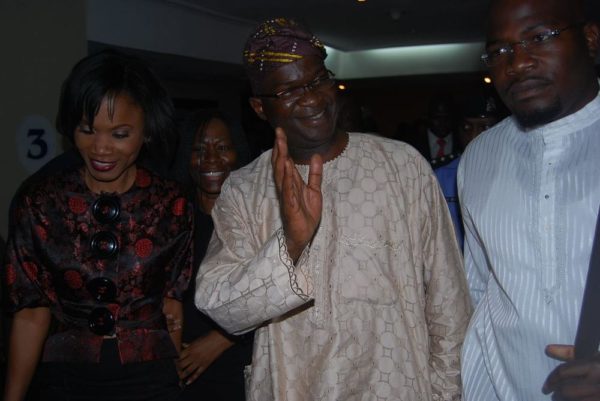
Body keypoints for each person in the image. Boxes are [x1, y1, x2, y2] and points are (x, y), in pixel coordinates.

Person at [195, 18, 471, 401]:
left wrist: (446, 394)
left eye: (317, 80)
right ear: (260, 107)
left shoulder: (402, 166)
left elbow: (449, 303)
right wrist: (291, 244)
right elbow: (222, 308)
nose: (311, 98)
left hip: (397, 387)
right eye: (289, 90)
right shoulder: (243, 190)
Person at [3, 50, 194, 401]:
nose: (101, 148)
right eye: (87, 130)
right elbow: (31, 314)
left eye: (120, 134)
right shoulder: (41, 202)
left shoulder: (172, 202)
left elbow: (172, 305)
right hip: (64, 378)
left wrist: (173, 380)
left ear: (147, 130)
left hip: (150, 379)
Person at [458, 0, 600, 400]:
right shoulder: (480, 155)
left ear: (590, 40)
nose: (516, 64)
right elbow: (480, 289)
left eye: (538, 38)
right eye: (499, 51)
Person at [170, 110, 252, 401]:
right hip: (180, 371)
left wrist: (221, 340)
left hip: (239, 366)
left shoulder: (257, 218)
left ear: (238, 152)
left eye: (222, 148)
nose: (211, 159)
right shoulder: (172, 218)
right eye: (199, 149)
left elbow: (276, 295)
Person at [433, 93, 499, 248]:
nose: (474, 136)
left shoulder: (516, 173)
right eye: (467, 128)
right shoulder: (440, 177)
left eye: (486, 127)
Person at [406, 94, 460, 162]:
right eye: (437, 118)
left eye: (446, 118)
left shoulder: (462, 142)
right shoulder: (413, 144)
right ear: (428, 117)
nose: (442, 123)